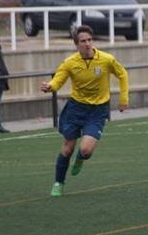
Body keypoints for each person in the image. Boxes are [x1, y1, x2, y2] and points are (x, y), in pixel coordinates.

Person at [40, 25, 129, 198]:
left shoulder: (106, 59)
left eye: (89, 40)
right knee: (67, 149)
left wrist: (124, 99)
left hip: (97, 110)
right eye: (83, 41)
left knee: (86, 150)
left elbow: (122, 74)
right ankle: (59, 182)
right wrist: (49, 87)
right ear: (76, 44)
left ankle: (80, 158)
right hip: (76, 108)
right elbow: (58, 81)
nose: (87, 44)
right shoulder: (70, 63)